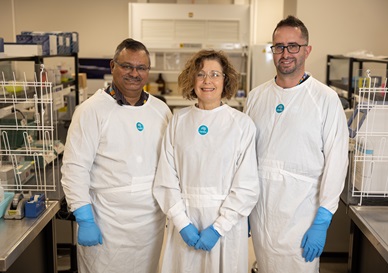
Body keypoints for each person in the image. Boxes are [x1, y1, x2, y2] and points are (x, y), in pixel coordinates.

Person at [244, 15, 349, 273]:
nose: (285, 53)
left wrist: (323, 220)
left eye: (293, 46)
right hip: (261, 214)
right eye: (278, 46)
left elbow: (337, 161)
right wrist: (242, 206)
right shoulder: (257, 96)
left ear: (307, 50)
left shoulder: (325, 99)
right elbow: (244, 155)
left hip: (302, 215)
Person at [61, 38, 172, 273]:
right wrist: (85, 218)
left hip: (149, 225)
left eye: (141, 68)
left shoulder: (161, 110)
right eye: (127, 66)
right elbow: (74, 168)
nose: (134, 73)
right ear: (113, 66)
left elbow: (171, 164)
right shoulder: (91, 110)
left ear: (148, 71)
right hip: (107, 223)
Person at [153, 49, 259, 273]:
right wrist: (182, 224)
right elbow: (166, 178)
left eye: (215, 74)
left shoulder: (241, 125)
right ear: (192, 80)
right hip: (185, 220)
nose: (207, 81)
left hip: (225, 227)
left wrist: (219, 228)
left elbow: (247, 185)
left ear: (225, 80)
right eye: (200, 74)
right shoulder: (178, 121)